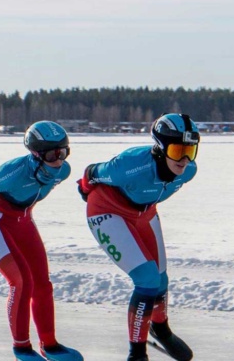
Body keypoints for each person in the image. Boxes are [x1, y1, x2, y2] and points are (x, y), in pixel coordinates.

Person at [77, 113, 200, 361]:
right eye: (177, 151)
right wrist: (84, 190)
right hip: (107, 211)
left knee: (161, 278)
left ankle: (161, 328)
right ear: (161, 148)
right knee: (147, 280)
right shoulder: (130, 165)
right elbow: (91, 173)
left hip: (143, 213)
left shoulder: (188, 172)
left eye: (191, 151)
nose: (184, 160)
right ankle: (137, 353)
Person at [0, 121, 84, 361]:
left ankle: (49, 345)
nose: (59, 160)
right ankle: (21, 348)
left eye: (63, 152)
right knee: (21, 282)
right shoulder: (15, 171)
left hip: (22, 219)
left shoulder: (63, 170)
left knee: (42, 284)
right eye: (52, 154)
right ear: (36, 154)